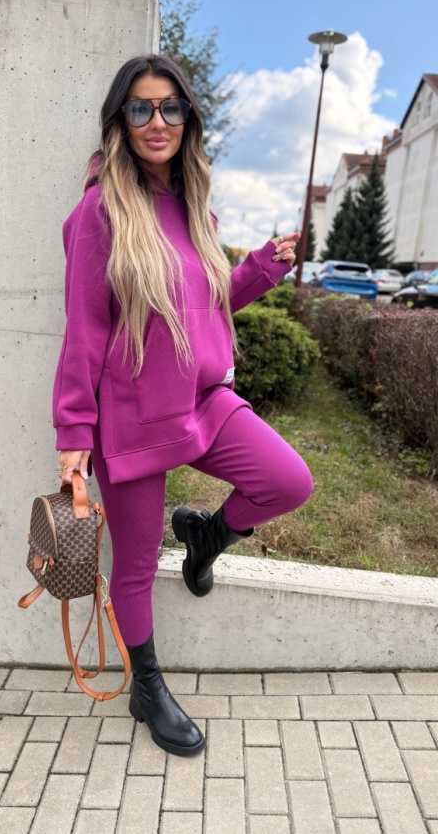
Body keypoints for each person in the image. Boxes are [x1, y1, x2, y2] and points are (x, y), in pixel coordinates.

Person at [52, 55, 313, 757]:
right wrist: (74, 430)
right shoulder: (100, 212)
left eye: (170, 107)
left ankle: (207, 537)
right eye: (140, 108)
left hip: (202, 398)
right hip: (132, 416)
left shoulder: (196, 207)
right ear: (121, 120)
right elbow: (85, 330)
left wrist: (260, 267)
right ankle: (147, 687)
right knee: (135, 564)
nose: (157, 121)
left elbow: (205, 305)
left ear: (188, 118)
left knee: (288, 481)